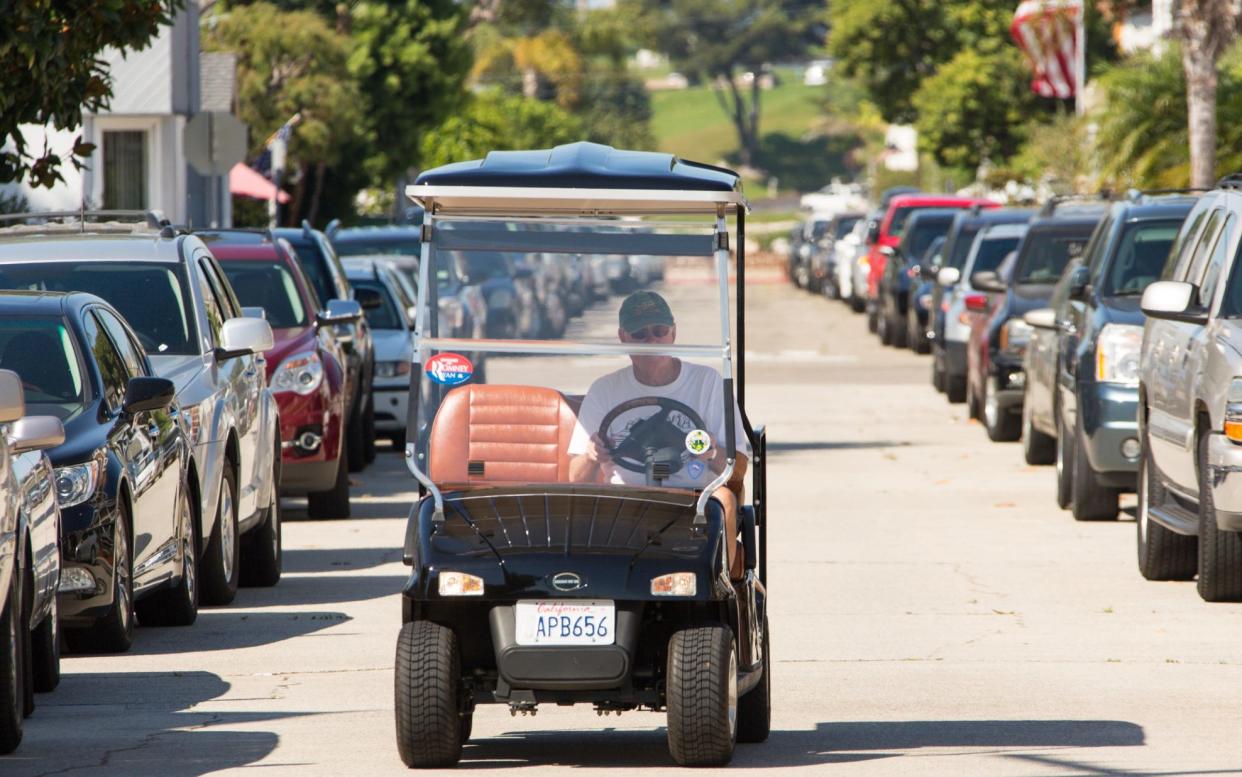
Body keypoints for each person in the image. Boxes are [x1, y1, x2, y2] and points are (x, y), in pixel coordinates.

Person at [568, 290, 750, 489]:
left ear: (673, 333)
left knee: (727, 502)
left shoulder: (708, 382)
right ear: (623, 337)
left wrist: (711, 452)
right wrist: (591, 456)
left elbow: (739, 470)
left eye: (659, 331)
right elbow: (576, 478)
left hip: (695, 500)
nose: (651, 341)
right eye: (640, 334)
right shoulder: (604, 389)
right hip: (625, 500)